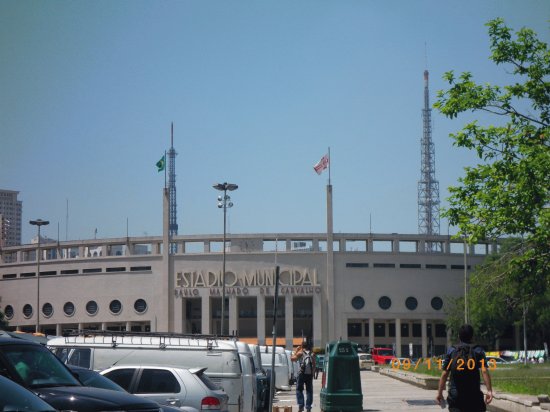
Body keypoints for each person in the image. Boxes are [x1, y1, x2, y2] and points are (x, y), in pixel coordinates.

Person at [436, 324, 493, 411]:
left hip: (455, 395)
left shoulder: (451, 350)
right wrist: (489, 391)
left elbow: (444, 374)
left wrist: (439, 393)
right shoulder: (478, 350)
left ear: (459, 336)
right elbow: (484, 371)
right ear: (472, 336)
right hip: (474, 395)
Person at [291, 340, 316, 412]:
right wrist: (312, 373)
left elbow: (292, 359)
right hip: (309, 374)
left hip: (301, 374)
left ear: (302, 346)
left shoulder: (300, 353)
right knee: (309, 391)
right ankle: (308, 408)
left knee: (299, 389)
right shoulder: (312, 354)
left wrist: (296, 350)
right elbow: (314, 365)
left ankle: (301, 406)